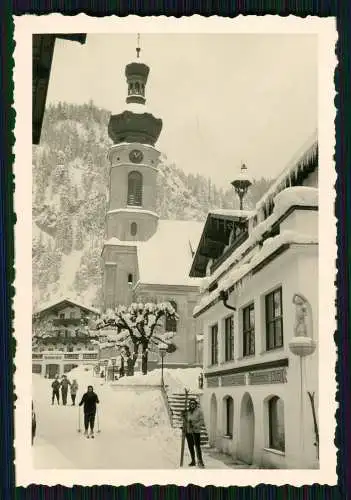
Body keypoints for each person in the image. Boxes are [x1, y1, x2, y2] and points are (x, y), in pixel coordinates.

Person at [183, 398, 205, 468]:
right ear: (189, 404)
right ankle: (193, 460)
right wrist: (183, 416)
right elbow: (185, 421)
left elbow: (202, 421)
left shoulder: (199, 411)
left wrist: (195, 425)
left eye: (193, 404)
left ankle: (200, 461)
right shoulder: (188, 411)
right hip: (189, 431)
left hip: (196, 431)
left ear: (195, 404)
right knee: (190, 446)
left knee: (197, 446)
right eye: (191, 404)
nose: (192, 405)